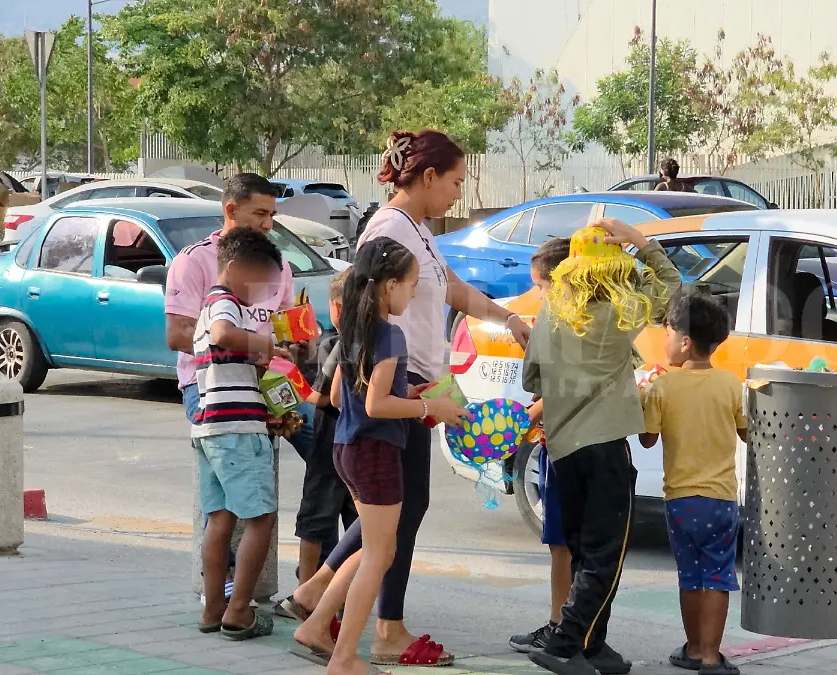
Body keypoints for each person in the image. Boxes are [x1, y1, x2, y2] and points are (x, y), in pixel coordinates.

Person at [286, 129, 532, 665]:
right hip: (401, 391)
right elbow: (357, 307)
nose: (458, 195)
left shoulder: (417, 230)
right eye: (455, 182)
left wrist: (508, 316)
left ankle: (321, 599)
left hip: (415, 384)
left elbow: (454, 290)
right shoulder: (391, 229)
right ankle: (376, 625)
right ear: (426, 177)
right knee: (394, 516)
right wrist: (419, 400)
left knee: (397, 512)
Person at [522, 218, 681, 675]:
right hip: (606, 444)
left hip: (562, 447)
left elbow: (533, 377)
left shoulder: (552, 309)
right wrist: (641, 244)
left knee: (579, 547)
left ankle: (593, 645)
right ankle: (565, 644)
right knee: (604, 553)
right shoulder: (621, 311)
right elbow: (671, 287)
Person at [164, 172, 322, 586]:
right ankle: (227, 586)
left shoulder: (278, 265)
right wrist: (254, 347)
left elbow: (284, 329)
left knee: (329, 449)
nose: (269, 224)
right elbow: (178, 334)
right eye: (260, 213)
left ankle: (318, 573)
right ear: (230, 211)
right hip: (212, 390)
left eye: (272, 214)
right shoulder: (195, 260)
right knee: (233, 502)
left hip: (272, 386)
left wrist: (302, 344)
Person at [323, 237, 470, 675]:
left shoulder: (354, 326)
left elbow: (347, 393)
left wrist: (411, 392)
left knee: (374, 551)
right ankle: (345, 657)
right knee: (378, 556)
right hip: (375, 451)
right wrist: (430, 407)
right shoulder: (389, 334)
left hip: (350, 448)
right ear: (389, 286)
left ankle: (329, 635)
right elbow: (376, 406)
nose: (414, 295)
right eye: (411, 286)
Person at [639, 290, 746, 675]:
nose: (664, 338)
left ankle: (694, 648)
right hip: (721, 500)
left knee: (690, 576)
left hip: (680, 501)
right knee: (718, 576)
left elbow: (647, 438)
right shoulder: (731, 385)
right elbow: (749, 432)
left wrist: (644, 397)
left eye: (667, 330)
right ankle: (711, 657)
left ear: (685, 342)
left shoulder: (663, 387)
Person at [193, 227, 286, 640]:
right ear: (234, 269)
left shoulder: (213, 306)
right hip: (236, 429)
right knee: (261, 518)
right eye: (260, 280)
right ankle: (238, 611)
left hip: (210, 427)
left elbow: (225, 351)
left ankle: (213, 607)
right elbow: (223, 336)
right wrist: (263, 344)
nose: (264, 292)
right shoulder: (222, 304)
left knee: (220, 519)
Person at [508, 238, 574, 655]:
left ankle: (561, 625)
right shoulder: (584, 317)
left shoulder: (564, 318)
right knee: (568, 543)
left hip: (567, 443)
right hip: (573, 440)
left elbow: (561, 385)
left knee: (563, 543)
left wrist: (521, 422)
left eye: (542, 286)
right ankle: (569, 625)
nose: (540, 295)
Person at [294, 269, 360, 585]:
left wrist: (288, 380)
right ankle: (343, 595)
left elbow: (322, 398)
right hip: (360, 448)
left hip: (329, 446)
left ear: (337, 309)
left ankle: (305, 592)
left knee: (315, 521)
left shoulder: (342, 343)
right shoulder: (378, 338)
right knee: (357, 525)